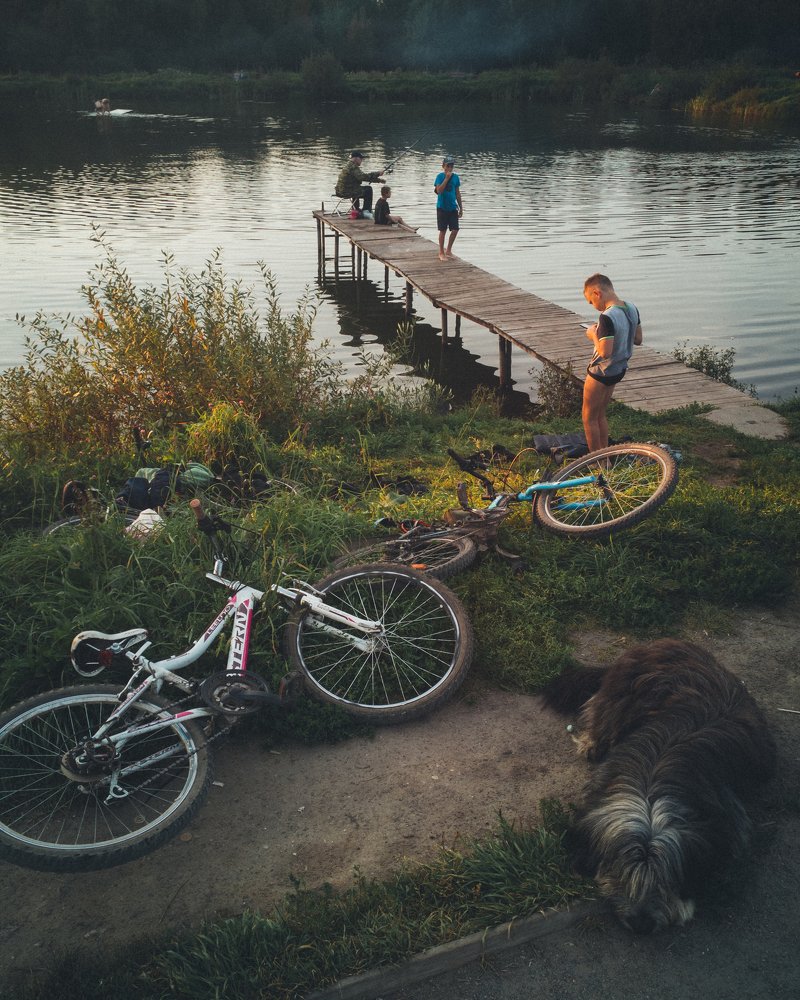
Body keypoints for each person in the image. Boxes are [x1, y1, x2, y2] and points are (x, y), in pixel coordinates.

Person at [581, 273, 642, 452]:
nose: (593, 306)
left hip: (601, 372)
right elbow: (638, 339)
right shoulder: (632, 308)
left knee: (589, 417)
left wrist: (593, 334)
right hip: (618, 369)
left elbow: (604, 352)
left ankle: (596, 463)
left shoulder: (607, 317)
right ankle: (604, 456)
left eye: (591, 301)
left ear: (597, 293)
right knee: (600, 414)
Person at [335, 151, 384, 216]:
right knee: (368, 189)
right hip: (346, 192)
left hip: (340, 191)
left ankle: (356, 209)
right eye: (361, 159)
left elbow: (361, 178)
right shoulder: (353, 167)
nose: (362, 160)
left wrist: (379, 180)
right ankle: (366, 211)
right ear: (356, 158)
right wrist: (378, 173)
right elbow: (363, 177)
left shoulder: (349, 165)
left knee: (358, 187)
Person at [434, 155, 462, 261]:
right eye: (448, 166)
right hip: (442, 207)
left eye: (451, 166)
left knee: (455, 229)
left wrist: (461, 208)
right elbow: (439, 191)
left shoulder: (456, 177)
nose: (450, 168)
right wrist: (446, 179)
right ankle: (441, 252)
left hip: (453, 207)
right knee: (443, 230)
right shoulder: (439, 177)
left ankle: (448, 250)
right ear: (443, 166)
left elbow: (458, 193)